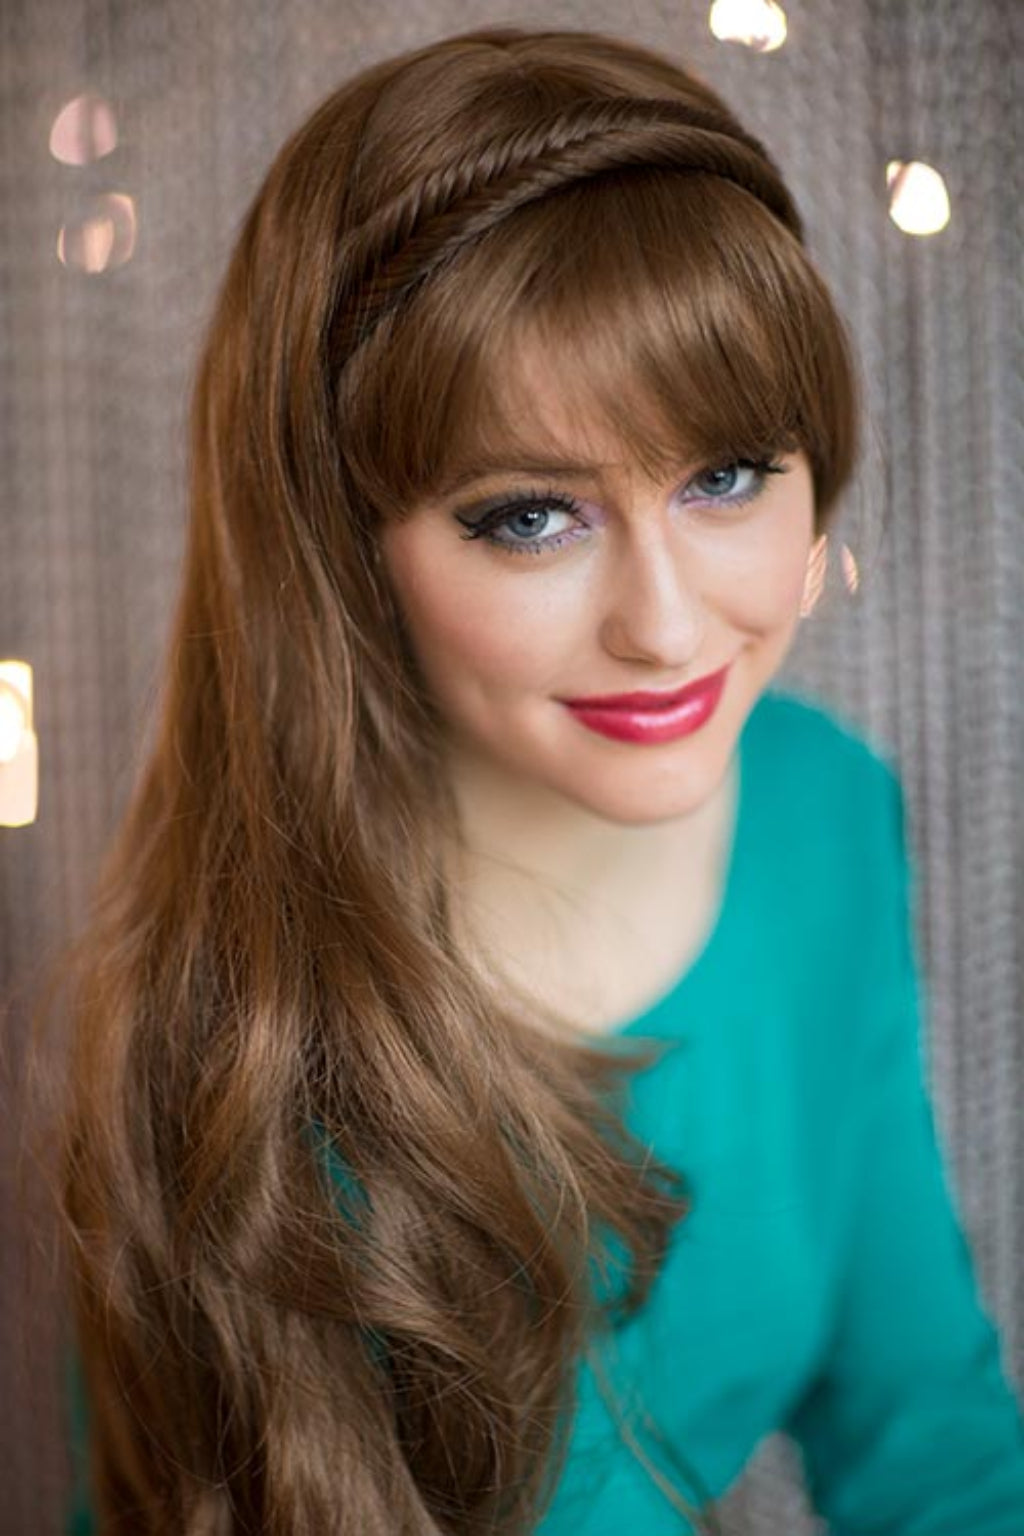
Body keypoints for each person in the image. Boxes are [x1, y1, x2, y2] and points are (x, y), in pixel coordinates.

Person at [57, 23, 1024, 1536]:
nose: (667, 623)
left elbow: (926, 1428)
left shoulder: (825, 810)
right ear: (338, 544)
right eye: (528, 516)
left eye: (725, 476)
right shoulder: (225, 1037)